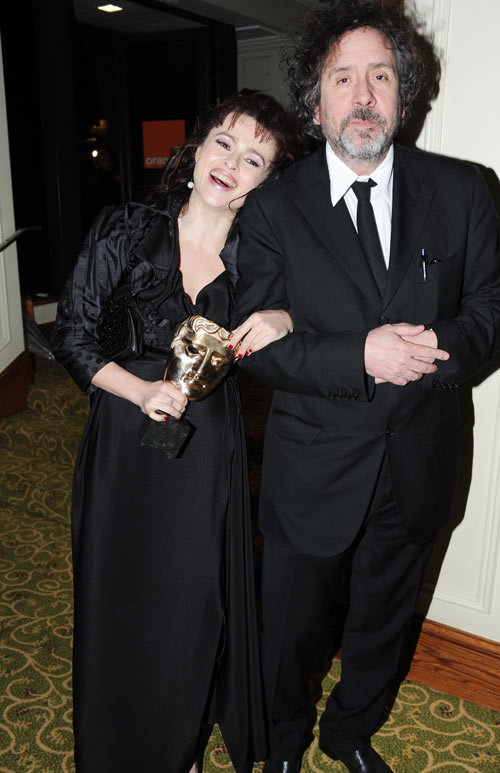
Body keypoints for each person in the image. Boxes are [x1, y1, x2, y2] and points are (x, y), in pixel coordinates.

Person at [231, 3, 500, 772]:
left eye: (380, 75)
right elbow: (254, 340)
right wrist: (360, 355)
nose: (363, 94)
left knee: (386, 621)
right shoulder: (273, 209)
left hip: (419, 461)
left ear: (403, 97)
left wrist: (433, 349)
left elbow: (489, 311)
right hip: (313, 466)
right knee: (290, 628)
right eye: (342, 77)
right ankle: (281, 743)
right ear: (315, 105)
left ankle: (349, 733)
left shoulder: (465, 190)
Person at [51, 90, 302, 773]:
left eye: (255, 159)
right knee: (117, 602)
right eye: (225, 142)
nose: (232, 163)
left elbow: (317, 314)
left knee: (195, 609)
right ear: (196, 146)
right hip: (124, 450)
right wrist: (138, 390)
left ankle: (178, 750)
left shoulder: (264, 259)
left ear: (266, 181)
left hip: (206, 456)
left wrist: (283, 316)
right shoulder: (125, 228)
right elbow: (71, 334)